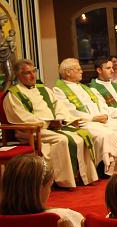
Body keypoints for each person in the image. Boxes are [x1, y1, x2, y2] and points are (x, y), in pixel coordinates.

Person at [4, 59, 98, 188]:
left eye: (34, 71)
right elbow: (22, 117)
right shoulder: (14, 94)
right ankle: (63, 181)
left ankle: (82, 177)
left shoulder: (44, 90)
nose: (32, 76)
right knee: (63, 140)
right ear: (19, 75)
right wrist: (47, 123)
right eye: (27, 73)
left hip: (52, 127)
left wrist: (59, 119)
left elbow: (59, 107)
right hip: (30, 131)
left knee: (82, 135)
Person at [53, 58, 117, 175]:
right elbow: (70, 111)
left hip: (100, 119)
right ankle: (107, 169)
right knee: (106, 134)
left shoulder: (85, 88)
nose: (82, 71)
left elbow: (99, 104)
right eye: (78, 69)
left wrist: (104, 115)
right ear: (67, 72)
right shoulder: (59, 90)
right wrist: (93, 118)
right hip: (83, 122)